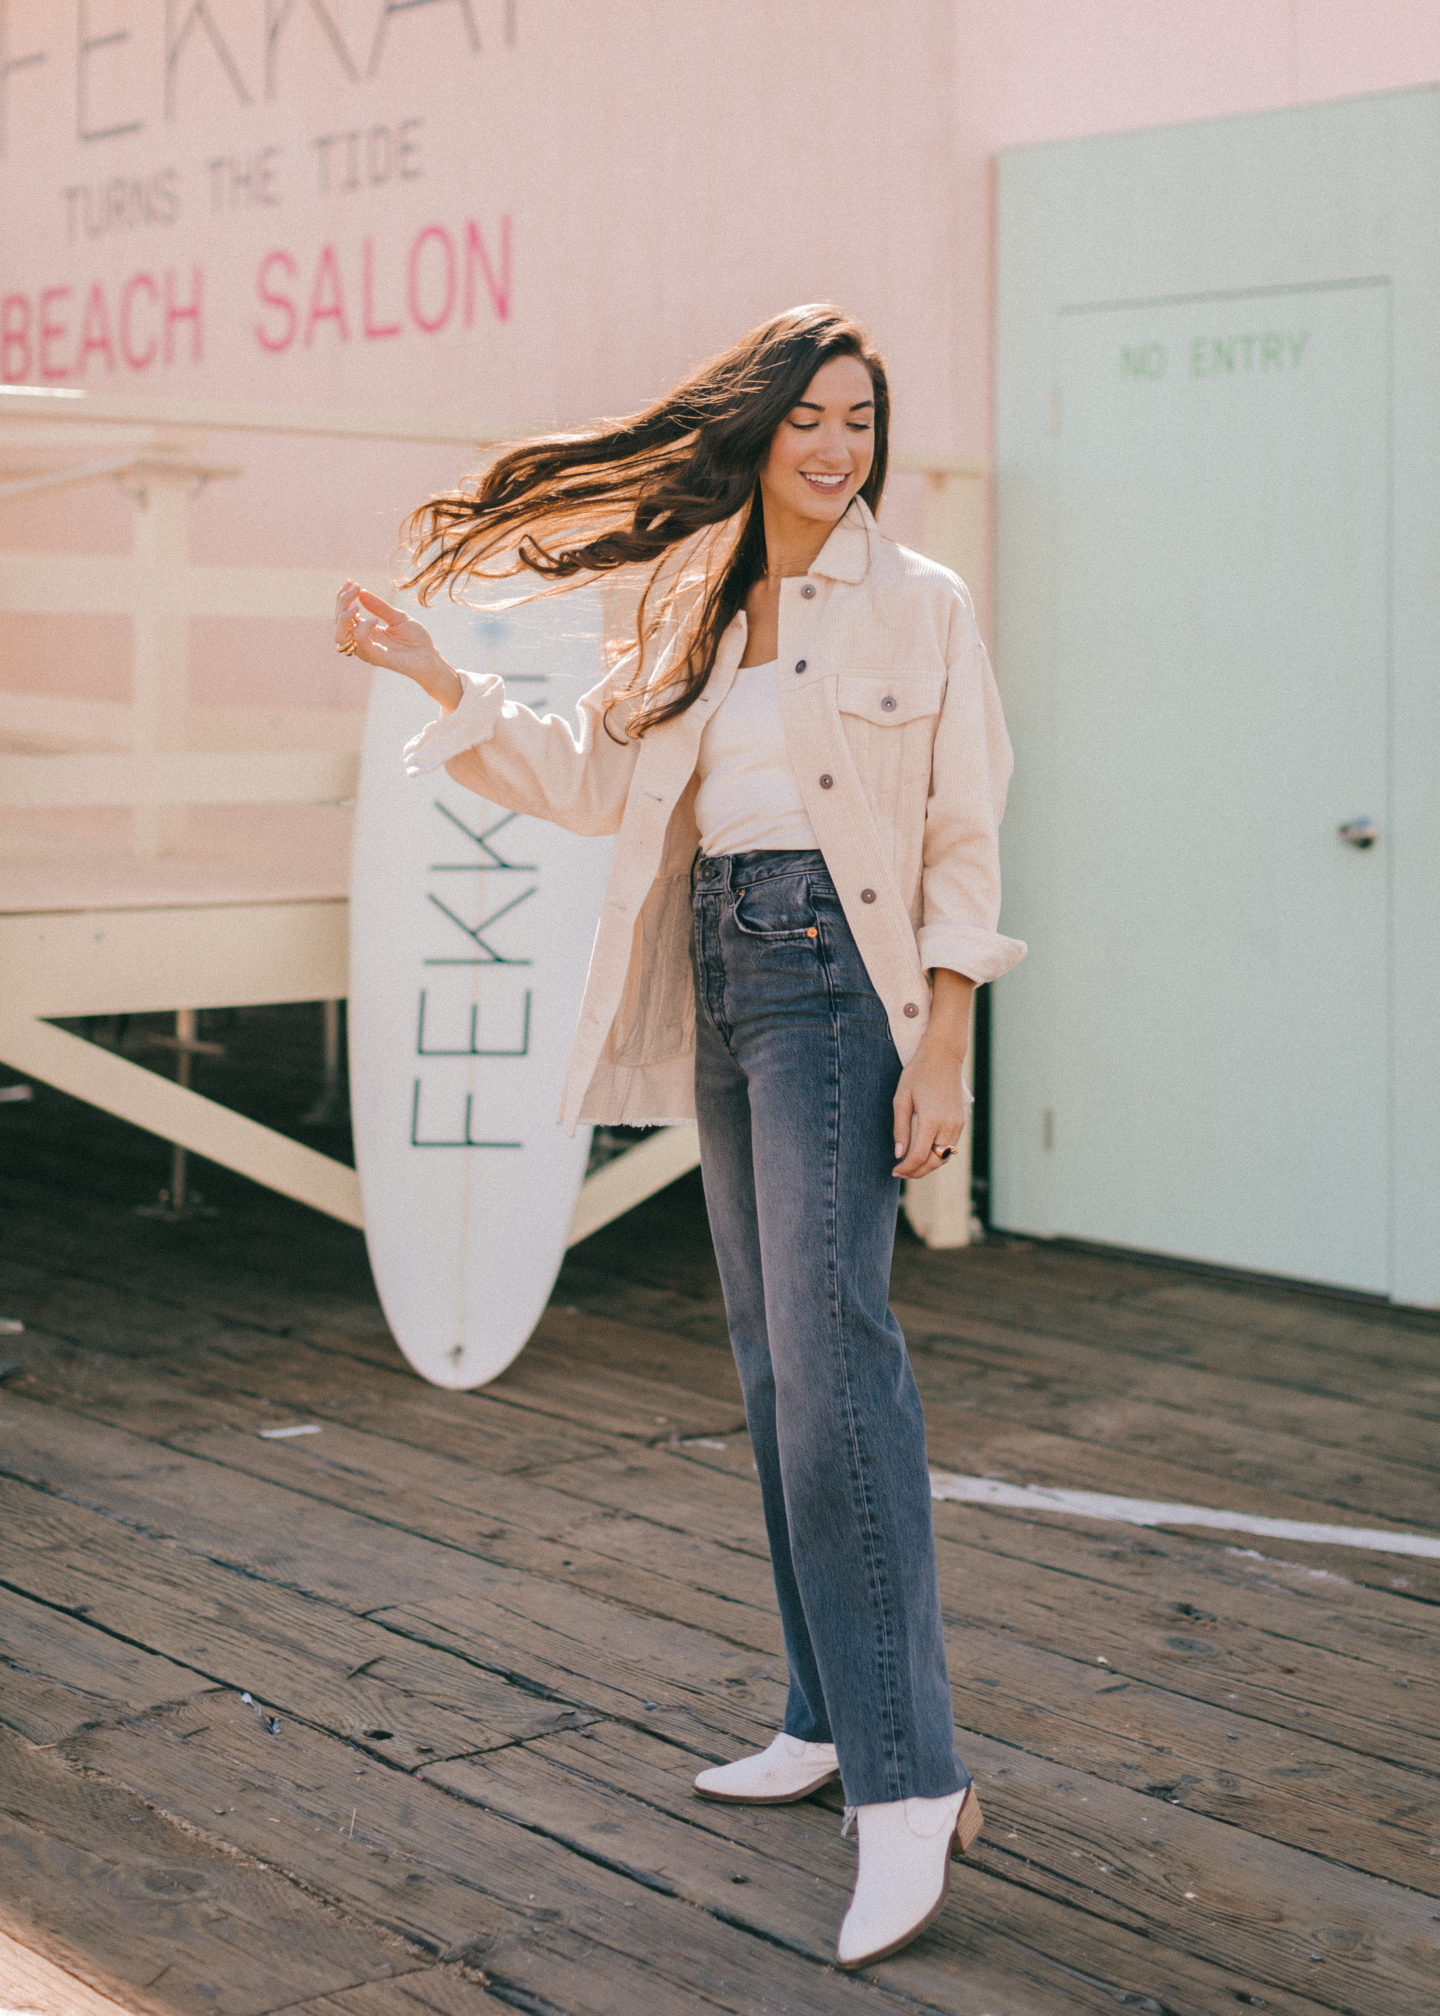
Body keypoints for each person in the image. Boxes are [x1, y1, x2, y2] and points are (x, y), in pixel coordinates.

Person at [334, 304, 1025, 1969]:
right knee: (774, 1366)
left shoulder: (919, 605)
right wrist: (441, 676)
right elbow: (594, 785)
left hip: (837, 985)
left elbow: (962, 835)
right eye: (808, 417)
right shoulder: (699, 594)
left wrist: (944, 1046)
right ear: (758, 425)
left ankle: (913, 1780)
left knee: (839, 1358)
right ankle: (821, 1717)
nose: (835, 447)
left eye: (860, 419)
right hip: (722, 972)